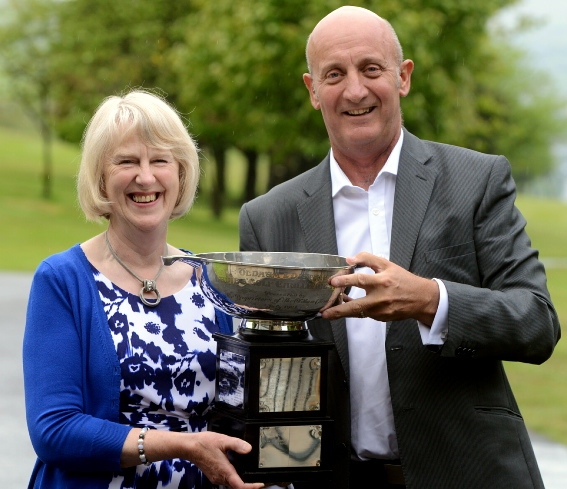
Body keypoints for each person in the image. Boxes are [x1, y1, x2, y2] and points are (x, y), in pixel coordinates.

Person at [239, 6, 561, 489]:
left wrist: (431, 301)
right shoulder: (268, 217)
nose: (354, 90)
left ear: (403, 77)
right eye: (334, 74)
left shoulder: (477, 180)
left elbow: (536, 323)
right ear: (312, 90)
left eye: (371, 69)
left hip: (469, 475)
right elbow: (266, 375)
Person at [23, 90, 266, 489]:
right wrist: (184, 446)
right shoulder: (62, 279)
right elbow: (54, 430)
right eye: (127, 161)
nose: (146, 177)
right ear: (100, 176)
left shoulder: (212, 281)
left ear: (181, 173)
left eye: (160, 160)